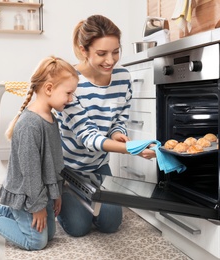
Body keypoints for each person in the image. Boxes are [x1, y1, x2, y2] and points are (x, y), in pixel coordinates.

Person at [54, 14, 156, 237]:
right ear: (84, 50)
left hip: (98, 166)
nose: (110, 60)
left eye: (116, 51)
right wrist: (132, 149)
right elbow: (88, 137)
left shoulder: (122, 77)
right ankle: (61, 191)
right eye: (101, 53)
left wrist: (119, 133)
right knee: (79, 227)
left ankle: (86, 196)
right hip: (68, 167)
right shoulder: (71, 83)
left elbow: (120, 117)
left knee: (110, 224)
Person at [0, 56, 79, 250]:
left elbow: (55, 162)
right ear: (49, 88)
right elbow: (31, 173)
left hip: (41, 192)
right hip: (27, 193)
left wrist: (56, 193)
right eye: (68, 93)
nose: (71, 99)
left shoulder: (51, 118)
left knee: (49, 233)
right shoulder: (29, 125)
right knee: (36, 241)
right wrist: (37, 206)